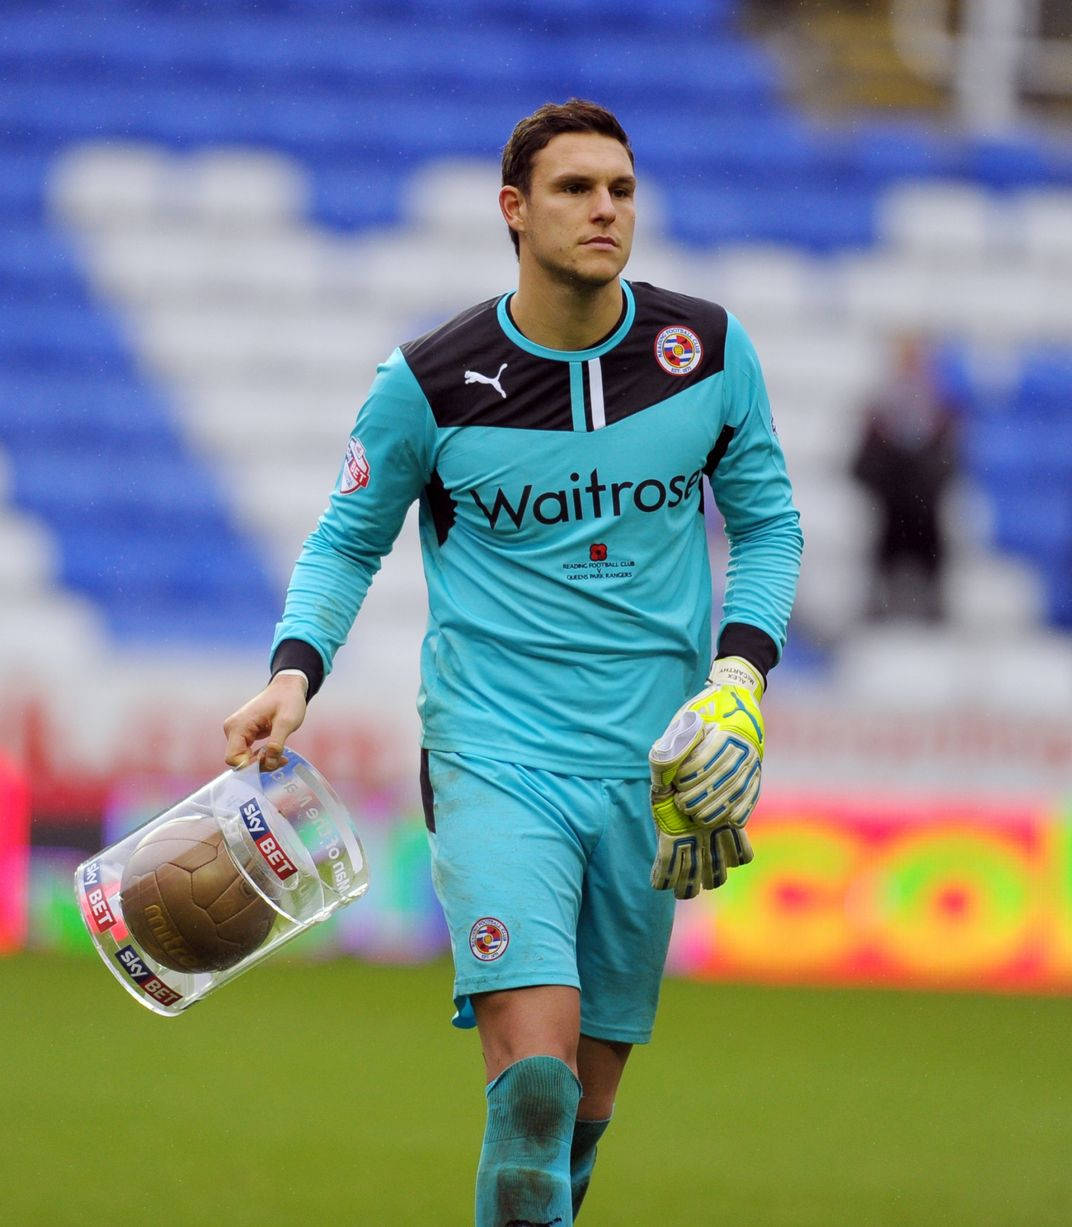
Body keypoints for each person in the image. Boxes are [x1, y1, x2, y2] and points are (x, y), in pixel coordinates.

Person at [223, 99, 802, 1226]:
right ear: (513, 210)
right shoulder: (430, 381)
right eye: (576, 189)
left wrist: (739, 676)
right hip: (497, 760)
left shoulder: (708, 353)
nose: (604, 210)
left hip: (654, 772)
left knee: (579, 1118)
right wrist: (294, 672)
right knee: (533, 1084)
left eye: (621, 190)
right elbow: (347, 538)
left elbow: (770, 525)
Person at [851, 333, 957, 621]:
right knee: (884, 531)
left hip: (925, 516)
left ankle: (932, 600)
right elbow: (859, 467)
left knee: (931, 533)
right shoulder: (877, 415)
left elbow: (950, 468)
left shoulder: (942, 415)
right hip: (889, 512)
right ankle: (879, 599)